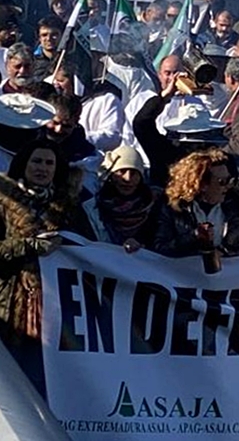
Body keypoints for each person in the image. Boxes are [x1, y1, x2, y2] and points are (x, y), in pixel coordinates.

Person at [0, 140, 92, 396]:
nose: (42, 168)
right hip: (9, 310)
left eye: (49, 163)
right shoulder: (2, 198)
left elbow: (91, 249)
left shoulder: (69, 207)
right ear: (24, 164)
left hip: (57, 313)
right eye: (37, 161)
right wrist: (29, 246)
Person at [152, 149, 239, 258]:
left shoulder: (236, 209)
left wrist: (225, 254)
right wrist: (193, 237)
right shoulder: (172, 209)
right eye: (222, 182)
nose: (227, 187)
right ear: (201, 184)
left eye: (229, 180)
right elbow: (160, 249)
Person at [91, 145, 163, 249]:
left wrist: (141, 241)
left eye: (134, 173)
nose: (127, 178)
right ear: (111, 176)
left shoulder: (157, 205)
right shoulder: (94, 207)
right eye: (121, 171)